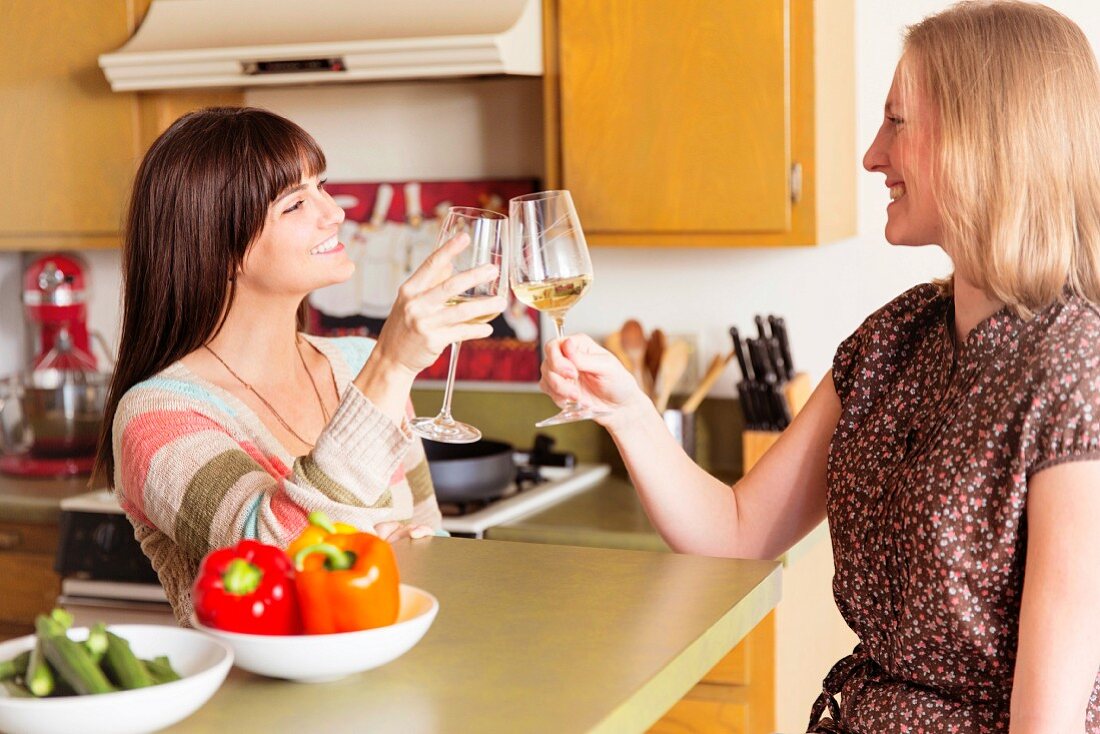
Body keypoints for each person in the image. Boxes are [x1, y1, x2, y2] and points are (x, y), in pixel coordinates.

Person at [539, 2, 1100, 731]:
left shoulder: (1075, 368)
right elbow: (738, 532)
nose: (872, 154)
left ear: (983, 139)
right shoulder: (895, 339)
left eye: (897, 122)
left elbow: (1046, 721)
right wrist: (625, 411)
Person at [93, 107, 505, 625]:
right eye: (295, 204)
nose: (333, 213)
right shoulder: (156, 416)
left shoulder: (359, 363)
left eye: (322, 186)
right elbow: (271, 562)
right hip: (256, 702)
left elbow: (430, 537)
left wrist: (415, 549)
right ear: (222, 248)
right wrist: (393, 363)